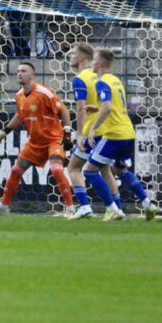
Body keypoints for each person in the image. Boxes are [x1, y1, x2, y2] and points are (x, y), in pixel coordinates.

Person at [83, 47, 160, 221]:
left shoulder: (101, 82)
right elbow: (114, 105)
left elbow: (109, 107)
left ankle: (112, 209)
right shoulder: (116, 80)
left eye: (93, 59)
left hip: (114, 134)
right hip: (128, 132)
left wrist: (94, 128)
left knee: (89, 171)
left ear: (101, 62)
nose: (91, 63)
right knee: (120, 169)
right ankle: (148, 204)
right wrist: (96, 107)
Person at [0, 62, 75, 216]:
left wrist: (68, 134)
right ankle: (2, 208)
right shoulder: (19, 96)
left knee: (56, 169)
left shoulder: (44, 93)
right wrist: (6, 130)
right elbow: (20, 115)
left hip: (53, 140)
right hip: (34, 142)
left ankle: (70, 209)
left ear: (32, 75)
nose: (19, 73)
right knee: (16, 170)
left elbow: (63, 109)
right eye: (18, 71)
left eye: (23, 71)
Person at [66, 41, 118, 219]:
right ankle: (117, 209)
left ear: (81, 58)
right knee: (105, 171)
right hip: (108, 129)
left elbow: (81, 108)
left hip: (91, 131)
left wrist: (80, 135)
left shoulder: (80, 79)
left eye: (73, 54)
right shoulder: (99, 76)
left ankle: (84, 205)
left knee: (73, 167)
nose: (70, 57)